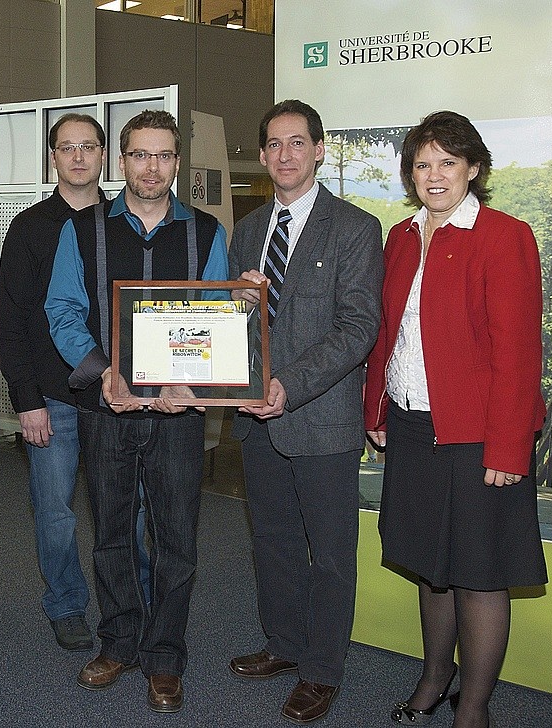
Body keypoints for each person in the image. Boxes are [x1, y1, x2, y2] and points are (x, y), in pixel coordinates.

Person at [364, 111, 547, 728]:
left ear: (474, 168)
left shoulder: (504, 235)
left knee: (480, 574)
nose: (434, 175)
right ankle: (434, 679)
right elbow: (388, 334)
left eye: (448, 162)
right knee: (430, 566)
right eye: (422, 164)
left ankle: (474, 708)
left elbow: (518, 351)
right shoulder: (400, 237)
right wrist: (378, 407)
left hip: (478, 437)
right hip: (413, 427)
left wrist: (508, 449)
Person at [46, 110, 228, 714]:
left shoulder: (206, 232)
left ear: (177, 163)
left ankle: (165, 656)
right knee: (112, 534)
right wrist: (104, 372)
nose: (152, 167)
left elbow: (218, 318)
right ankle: (120, 641)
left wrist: (192, 382)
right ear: (121, 160)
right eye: (140, 155)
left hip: (179, 416)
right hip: (109, 409)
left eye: (163, 156)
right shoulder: (84, 230)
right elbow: (62, 310)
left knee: (177, 540)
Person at [227, 99, 383, 724]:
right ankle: (284, 644)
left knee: (330, 553)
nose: (285, 153)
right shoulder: (246, 230)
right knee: (272, 542)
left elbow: (358, 328)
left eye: (297, 142)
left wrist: (289, 385)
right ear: (263, 156)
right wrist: (237, 313)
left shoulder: (355, 228)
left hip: (321, 419)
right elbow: (233, 325)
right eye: (274, 144)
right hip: (255, 420)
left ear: (319, 150)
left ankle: (321, 670)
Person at [0, 113, 150, 653]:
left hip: (117, 398)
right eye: (67, 147)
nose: (79, 157)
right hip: (53, 398)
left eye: (89, 146)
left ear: (105, 155)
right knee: (55, 512)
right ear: (53, 158)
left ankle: (135, 599)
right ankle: (65, 603)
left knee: (128, 510)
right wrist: (26, 400)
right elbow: (12, 320)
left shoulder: (128, 221)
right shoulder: (29, 227)